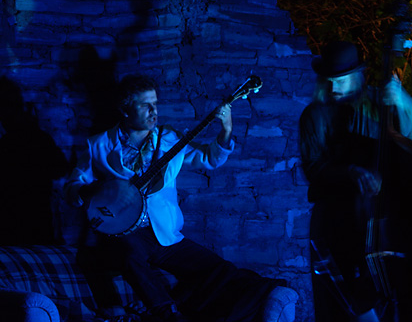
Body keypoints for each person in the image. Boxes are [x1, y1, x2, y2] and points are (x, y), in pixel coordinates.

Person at [65, 74, 284, 322]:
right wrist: (98, 191)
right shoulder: (99, 145)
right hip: (122, 234)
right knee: (129, 255)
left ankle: (258, 296)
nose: (153, 111)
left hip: (164, 233)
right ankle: (167, 314)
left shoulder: (168, 139)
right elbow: (73, 188)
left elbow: (209, 159)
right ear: (125, 110)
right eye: (144, 105)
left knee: (218, 270)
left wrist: (226, 128)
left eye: (155, 104)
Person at [299, 41, 412, 322]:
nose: (334, 88)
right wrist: (351, 172)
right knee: (344, 303)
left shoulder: (380, 105)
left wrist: (407, 104)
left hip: (388, 221)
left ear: (357, 75)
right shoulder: (314, 115)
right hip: (339, 223)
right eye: (329, 81)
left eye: (341, 81)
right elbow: (314, 168)